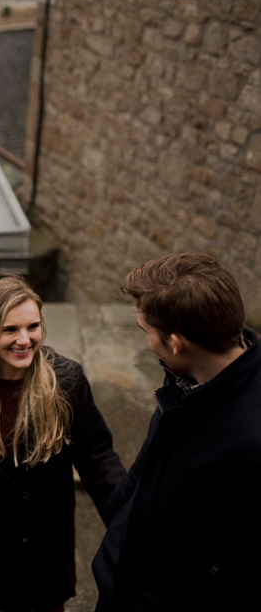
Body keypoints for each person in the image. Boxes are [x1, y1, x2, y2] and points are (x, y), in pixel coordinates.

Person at [0, 274, 126, 612]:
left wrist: (127, 519)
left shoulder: (65, 381)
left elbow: (96, 457)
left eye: (32, 326)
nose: (24, 340)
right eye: (10, 330)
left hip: (43, 542)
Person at [92, 253, 261, 611]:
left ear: (175, 342)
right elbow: (147, 468)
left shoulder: (251, 440)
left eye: (147, 332)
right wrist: (120, 517)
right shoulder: (188, 382)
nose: (147, 342)